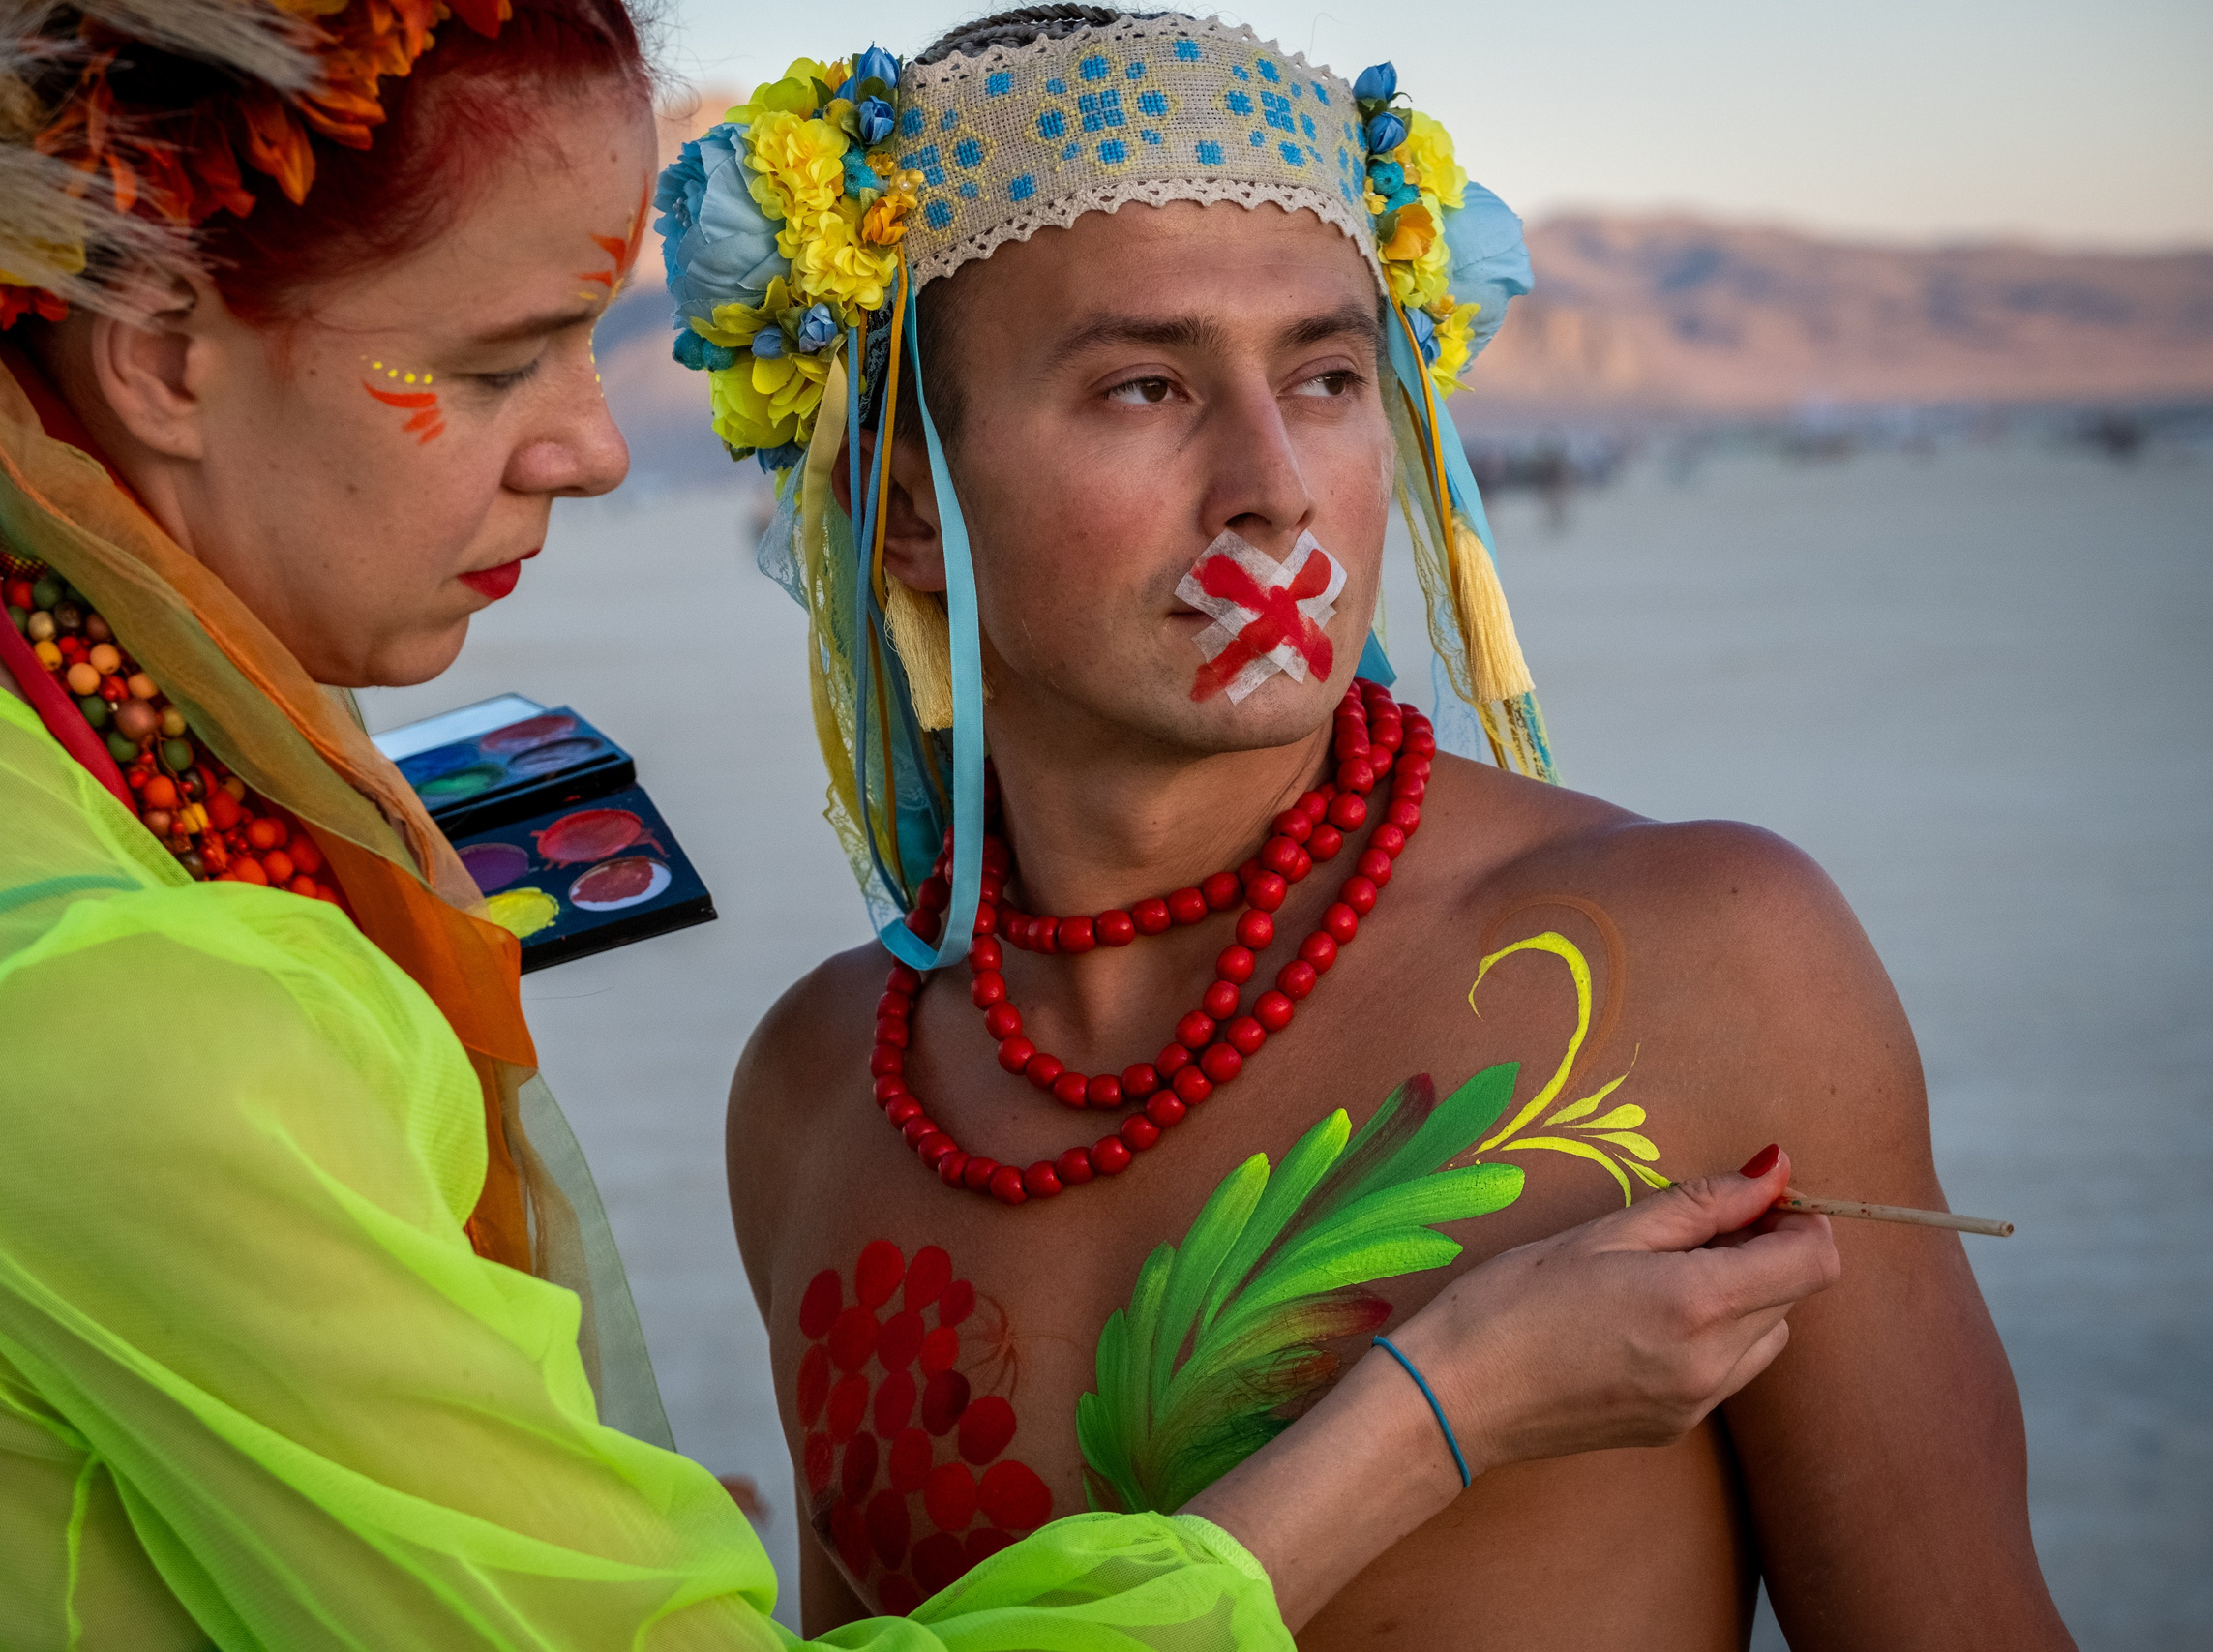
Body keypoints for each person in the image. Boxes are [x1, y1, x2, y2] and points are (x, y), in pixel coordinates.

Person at [0, 2, 1836, 1645]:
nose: (583, 439)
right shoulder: (798, 1086)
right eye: (489, 365)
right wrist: (1430, 1413)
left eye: (1333, 371)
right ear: (158, 351)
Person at [703, 9, 2077, 1648]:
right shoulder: (819, 1092)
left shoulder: (1710, 957)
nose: (1274, 483)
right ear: (905, 509)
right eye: (1146, 386)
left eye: (1330, 377)